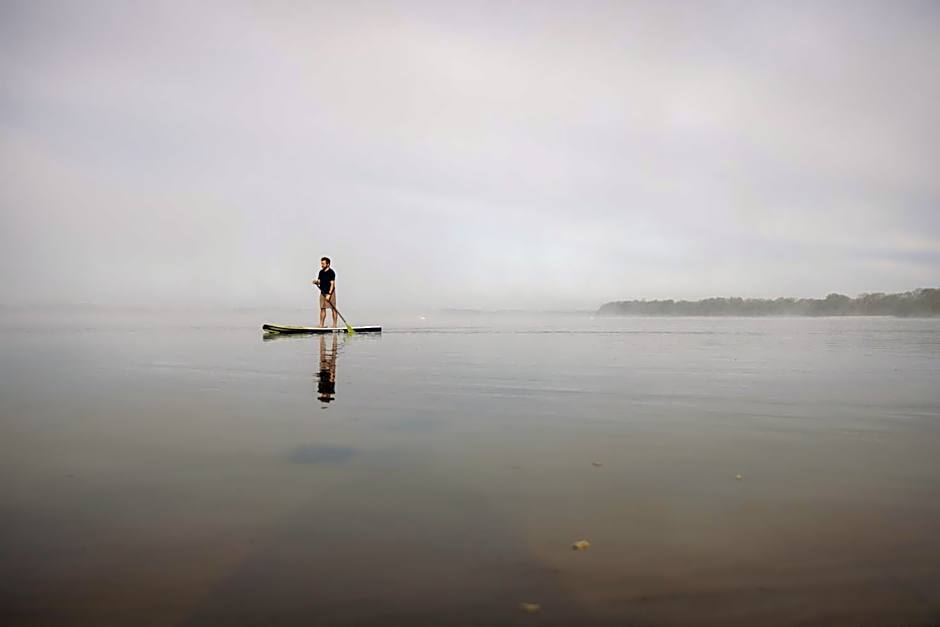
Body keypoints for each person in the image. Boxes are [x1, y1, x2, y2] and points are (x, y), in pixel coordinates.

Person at [312, 257, 337, 328]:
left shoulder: (331, 272)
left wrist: (329, 294)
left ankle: (334, 325)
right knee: (322, 308)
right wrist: (316, 282)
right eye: (321, 263)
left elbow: (332, 284)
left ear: (328, 264)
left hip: (330, 293)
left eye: (323, 264)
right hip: (323, 292)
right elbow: (319, 281)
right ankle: (321, 325)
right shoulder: (321, 272)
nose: (322, 265)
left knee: (333, 308)